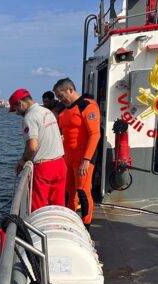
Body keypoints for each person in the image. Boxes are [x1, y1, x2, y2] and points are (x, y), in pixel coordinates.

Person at [53, 78, 101, 230]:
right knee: (68, 192)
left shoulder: (87, 106)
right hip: (67, 157)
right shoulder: (61, 110)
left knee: (83, 191)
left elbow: (95, 134)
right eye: (58, 97)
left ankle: (86, 227)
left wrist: (86, 160)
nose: (60, 99)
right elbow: (59, 132)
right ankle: (70, 222)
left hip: (83, 157)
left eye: (61, 95)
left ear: (70, 90)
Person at [9, 88, 67, 212]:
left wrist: (23, 160)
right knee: (57, 206)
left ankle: (34, 231)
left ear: (20, 103)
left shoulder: (30, 117)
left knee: (37, 208)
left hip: (44, 169)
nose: (17, 113)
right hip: (60, 164)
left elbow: (32, 146)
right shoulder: (47, 112)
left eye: (16, 109)